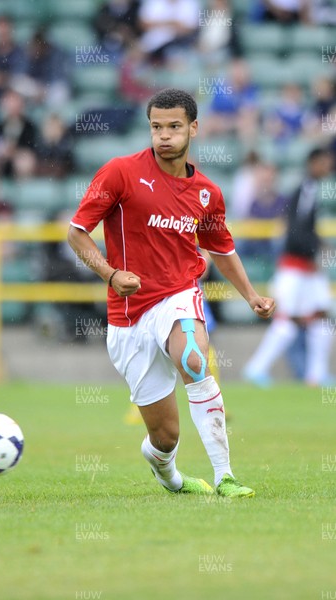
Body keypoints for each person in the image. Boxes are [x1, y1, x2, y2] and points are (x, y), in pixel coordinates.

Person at [68, 88, 275, 498]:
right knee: (164, 437)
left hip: (178, 295)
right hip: (127, 316)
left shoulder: (207, 193)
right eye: (156, 127)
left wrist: (250, 295)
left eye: (174, 127)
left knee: (195, 361)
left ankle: (225, 476)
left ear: (193, 128)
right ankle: (170, 477)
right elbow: (76, 235)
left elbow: (222, 249)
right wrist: (110, 274)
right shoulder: (120, 173)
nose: (164, 136)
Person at [243, 147, 334, 387]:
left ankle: (317, 375)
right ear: (313, 163)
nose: (328, 167)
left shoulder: (311, 190)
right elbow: (296, 231)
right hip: (294, 267)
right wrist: (316, 249)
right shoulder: (306, 189)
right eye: (325, 162)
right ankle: (256, 369)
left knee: (321, 318)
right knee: (286, 322)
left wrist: (318, 246)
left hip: (307, 269)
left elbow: (304, 229)